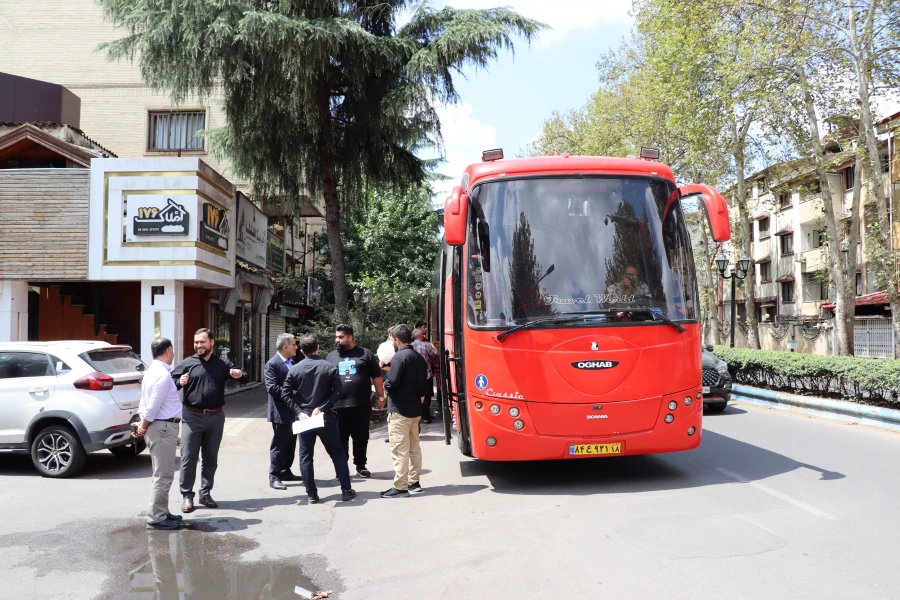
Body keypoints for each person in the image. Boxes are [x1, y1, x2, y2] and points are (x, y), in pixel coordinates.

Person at [171, 328, 247, 513]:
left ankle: (205, 493)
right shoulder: (188, 363)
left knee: (210, 458)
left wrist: (238, 374)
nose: (198, 345)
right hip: (191, 416)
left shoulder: (222, 363)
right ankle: (187, 495)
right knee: (188, 457)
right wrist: (179, 381)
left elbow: (244, 376)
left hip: (215, 416)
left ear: (212, 342)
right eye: (196, 342)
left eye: (202, 342)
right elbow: (170, 381)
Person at [282, 334, 357, 504]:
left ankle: (311, 494)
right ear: (318, 347)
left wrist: (299, 412)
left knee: (305, 456)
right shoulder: (329, 367)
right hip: (324, 415)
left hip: (305, 418)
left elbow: (285, 394)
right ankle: (346, 490)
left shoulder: (294, 369)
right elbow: (338, 391)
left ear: (301, 351)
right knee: (337, 452)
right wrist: (322, 407)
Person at [136, 337, 183, 531]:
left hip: (159, 426)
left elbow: (143, 402)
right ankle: (156, 518)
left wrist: (142, 422)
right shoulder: (162, 375)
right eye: (172, 351)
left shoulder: (151, 372)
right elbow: (153, 405)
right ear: (168, 350)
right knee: (163, 475)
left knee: (163, 473)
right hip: (162, 427)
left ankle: (161, 511)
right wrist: (144, 425)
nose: (173, 354)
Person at [326, 324, 385, 478]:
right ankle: (342, 467)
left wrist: (380, 397)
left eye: (340, 337)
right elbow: (325, 381)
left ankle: (360, 465)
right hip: (338, 406)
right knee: (340, 438)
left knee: (361, 437)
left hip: (361, 405)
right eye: (336, 337)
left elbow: (377, 376)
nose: (337, 340)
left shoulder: (365, 354)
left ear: (350, 337)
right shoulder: (331, 356)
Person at [381, 324, 429, 498]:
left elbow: (391, 383)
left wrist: (385, 384)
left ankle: (400, 486)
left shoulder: (400, 358)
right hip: (415, 409)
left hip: (399, 411)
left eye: (392, 339)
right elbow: (424, 387)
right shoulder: (419, 358)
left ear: (397, 339)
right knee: (414, 448)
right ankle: (413, 482)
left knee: (399, 448)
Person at [264, 333, 301, 490]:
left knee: (291, 443)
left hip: (293, 411)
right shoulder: (272, 364)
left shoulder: (292, 361)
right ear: (285, 347)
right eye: (293, 344)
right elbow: (272, 388)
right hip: (280, 412)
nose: (296, 347)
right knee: (279, 445)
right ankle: (274, 475)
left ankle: (286, 471)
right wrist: (294, 393)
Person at [411, 327, 439, 424]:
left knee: (416, 395)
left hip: (414, 376)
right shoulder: (425, 345)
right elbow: (436, 354)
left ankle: (417, 416)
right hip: (426, 374)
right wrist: (433, 346)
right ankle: (426, 417)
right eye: (422, 334)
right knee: (427, 396)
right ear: (419, 335)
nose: (423, 336)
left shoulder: (410, 346)